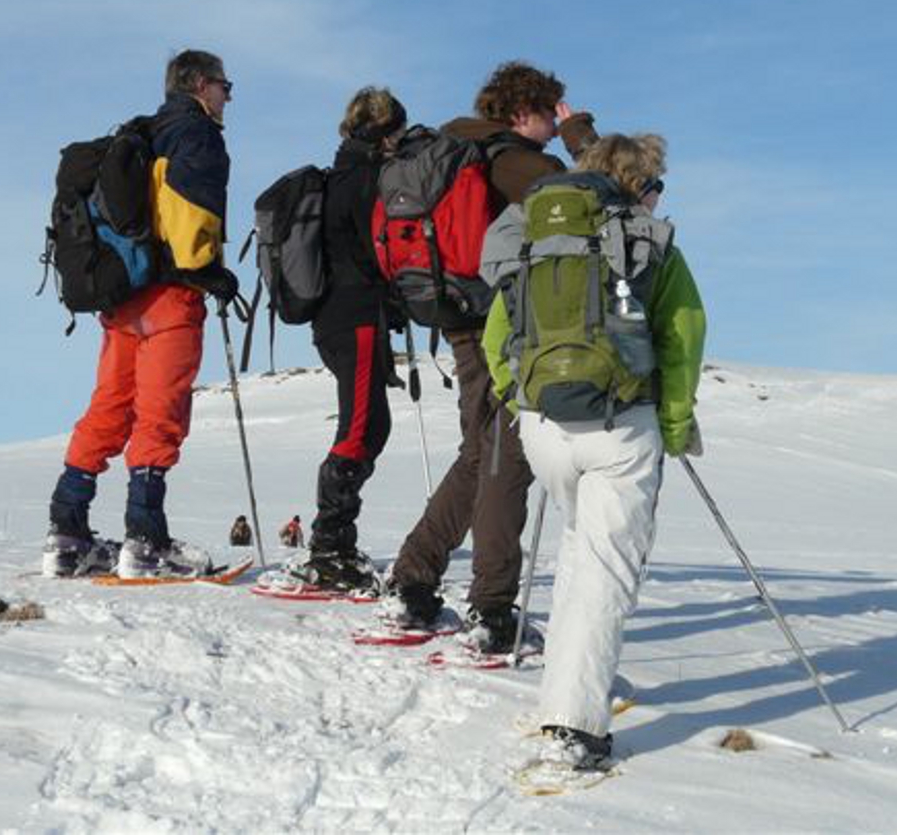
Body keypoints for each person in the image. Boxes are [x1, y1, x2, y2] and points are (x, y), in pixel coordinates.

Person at [480, 133, 705, 768]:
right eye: (655, 185)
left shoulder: (533, 237)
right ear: (638, 183)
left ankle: (568, 686)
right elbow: (683, 335)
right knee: (606, 567)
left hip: (543, 426)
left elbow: (498, 334)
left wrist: (519, 398)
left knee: (581, 547)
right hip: (620, 425)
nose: (658, 197)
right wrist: (675, 423)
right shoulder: (648, 241)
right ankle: (575, 723)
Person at [383, 61, 599, 651]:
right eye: (548, 113)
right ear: (523, 112)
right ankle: (492, 611)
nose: (553, 125)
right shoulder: (516, 162)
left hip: (457, 317)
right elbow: (601, 195)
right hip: (499, 322)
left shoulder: (452, 146)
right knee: (508, 456)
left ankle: (412, 581)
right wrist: (580, 136)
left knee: (481, 452)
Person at [43, 49, 241, 579]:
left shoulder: (142, 131)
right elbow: (189, 212)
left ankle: (66, 531)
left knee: (109, 406)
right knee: (159, 414)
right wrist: (208, 271)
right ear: (200, 85)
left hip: (122, 295)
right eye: (224, 86)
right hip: (169, 296)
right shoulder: (196, 134)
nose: (227, 97)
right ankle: (146, 540)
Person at [287, 87, 408, 592]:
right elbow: (377, 253)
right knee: (359, 427)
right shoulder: (365, 181)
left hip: (341, 319)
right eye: (398, 131)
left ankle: (334, 542)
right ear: (385, 133)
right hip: (354, 316)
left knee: (372, 424)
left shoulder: (340, 175)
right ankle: (328, 549)